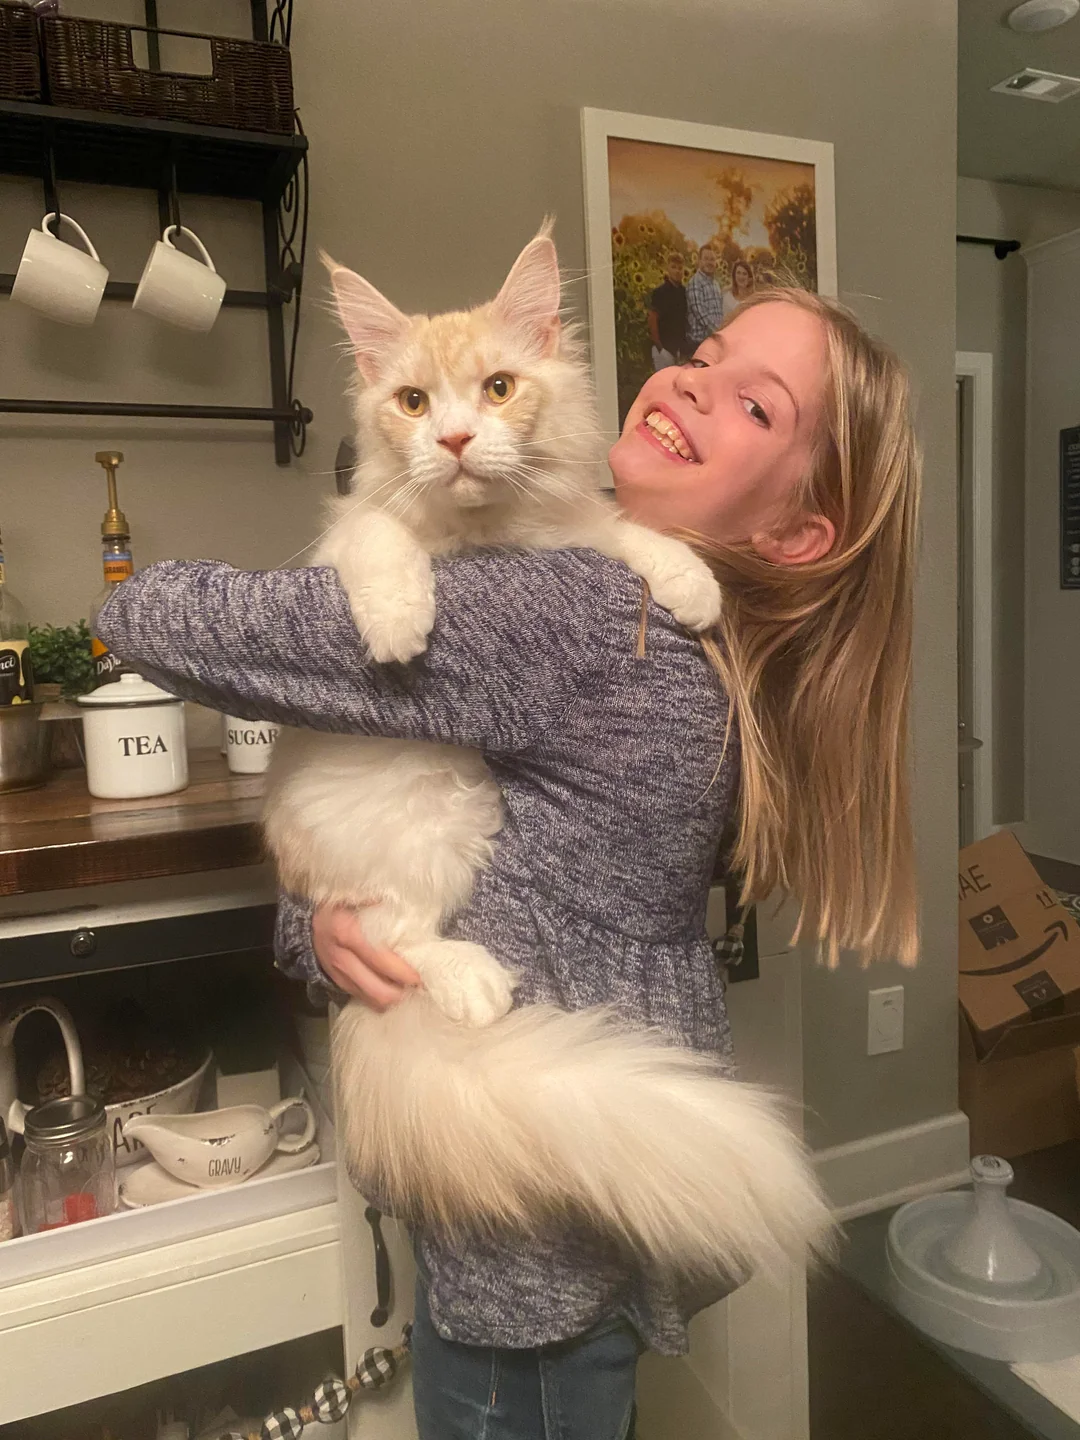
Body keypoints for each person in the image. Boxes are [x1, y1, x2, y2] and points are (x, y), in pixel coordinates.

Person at [98, 288, 920, 1440]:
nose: (689, 379)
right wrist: (325, 931)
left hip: (520, 1245)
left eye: (754, 404)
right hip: (572, 1193)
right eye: (705, 352)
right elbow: (426, 828)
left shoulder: (581, 615)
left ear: (796, 532)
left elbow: (162, 622)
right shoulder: (687, 620)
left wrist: (127, 592)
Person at [645, 250, 689, 368]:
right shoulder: (659, 293)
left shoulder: (684, 293)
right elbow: (652, 320)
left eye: (680, 268)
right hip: (663, 349)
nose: (677, 271)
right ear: (667, 268)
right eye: (673, 267)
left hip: (679, 351)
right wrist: (660, 348)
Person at [686, 242, 725, 346]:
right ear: (699, 261)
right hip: (699, 342)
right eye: (706, 259)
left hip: (713, 341)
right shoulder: (696, 282)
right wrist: (719, 333)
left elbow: (719, 312)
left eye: (712, 259)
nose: (709, 262)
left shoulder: (715, 284)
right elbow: (700, 313)